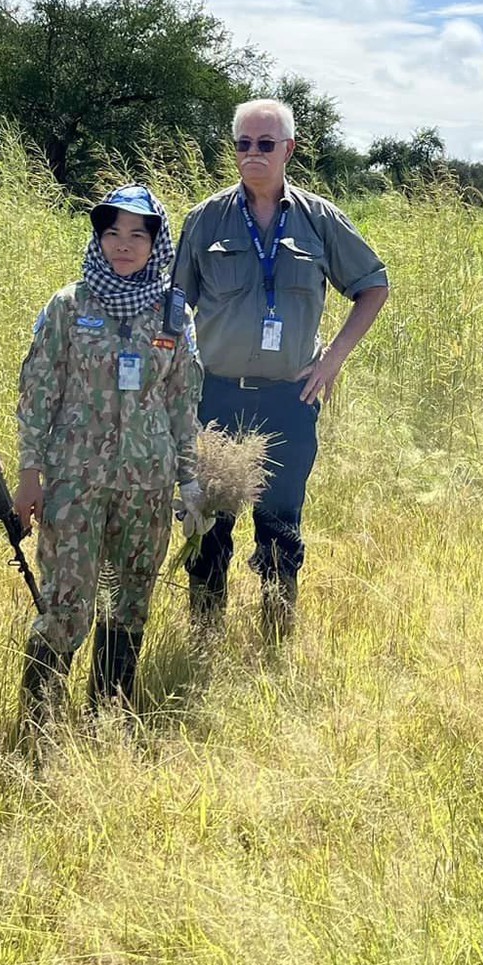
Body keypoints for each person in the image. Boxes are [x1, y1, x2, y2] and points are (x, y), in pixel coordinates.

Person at [171, 98, 390, 643]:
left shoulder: (319, 219)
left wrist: (333, 359)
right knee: (209, 525)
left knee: (279, 523)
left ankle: (273, 642)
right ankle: (205, 638)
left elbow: (373, 286)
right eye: (243, 143)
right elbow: (175, 306)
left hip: (288, 402)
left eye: (265, 144)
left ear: (288, 149)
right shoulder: (206, 219)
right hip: (217, 397)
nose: (252, 154)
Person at [14, 186, 202, 730]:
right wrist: (31, 475)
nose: (123, 245)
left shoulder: (173, 313)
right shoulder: (69, 306)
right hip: (76, 482)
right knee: (67, 601)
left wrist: (189, 481)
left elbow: (183, 400)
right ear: (99, 239)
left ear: (154, 244)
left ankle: (108, 720)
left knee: (131, 600)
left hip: (148, 484)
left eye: (136, 235)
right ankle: (38, 726)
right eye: (112, 233)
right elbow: (38, 392)